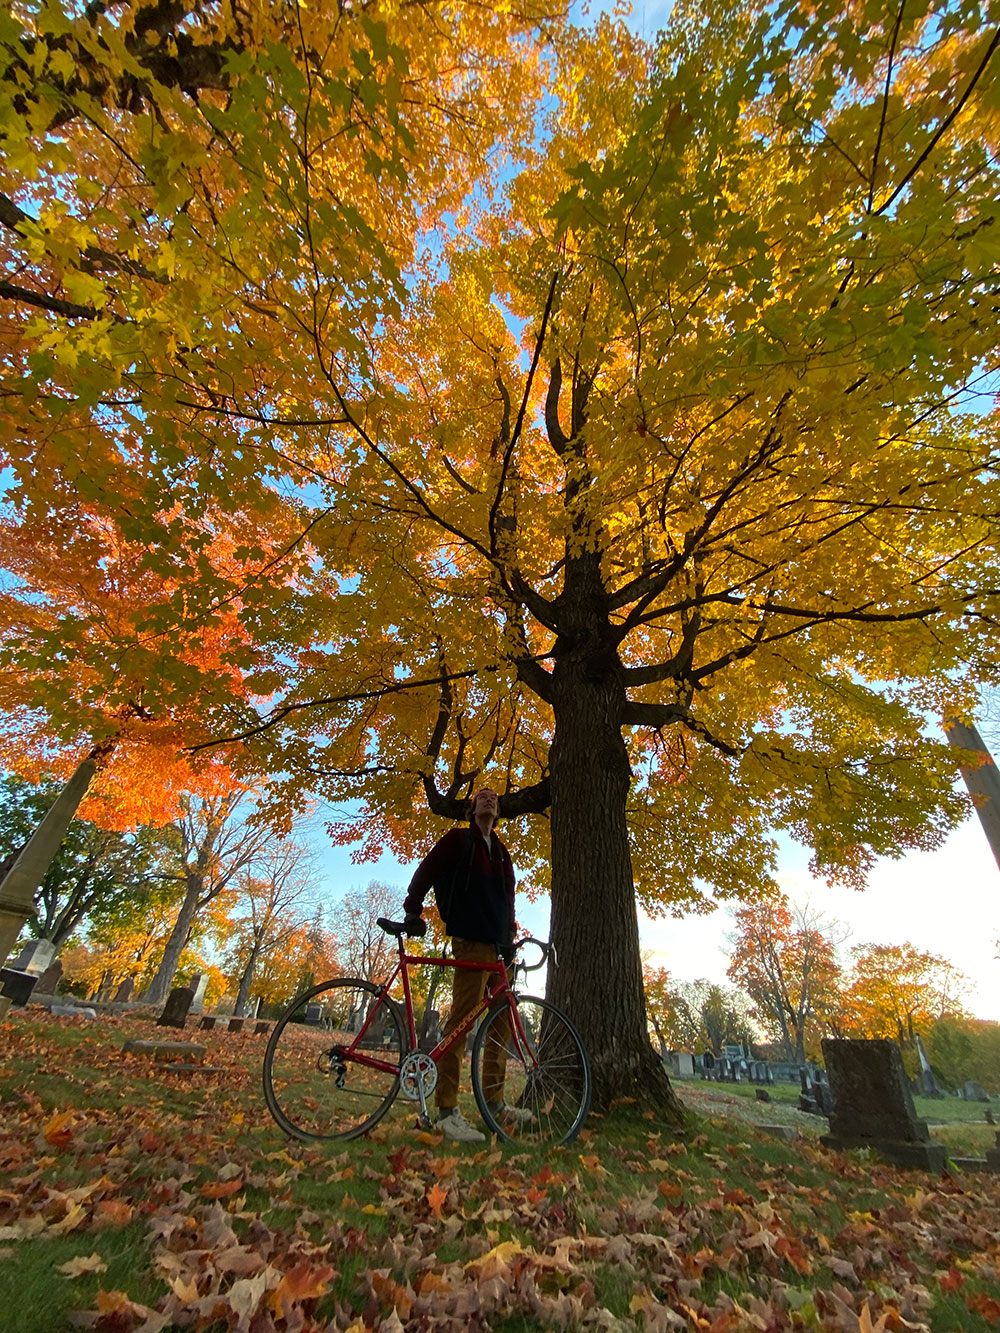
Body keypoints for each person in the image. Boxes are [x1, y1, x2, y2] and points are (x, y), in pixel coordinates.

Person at [402, 786, 530, 1142]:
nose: (489, 800)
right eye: (482, 797)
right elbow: (426, 872)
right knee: (460, 1023)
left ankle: (495, 1103)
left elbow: (509, 903)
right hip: (470, 943)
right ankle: (446, 1109)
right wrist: (412, 910)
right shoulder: (458, 841)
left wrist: (509, 940)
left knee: (502, 1026)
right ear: (472, 809)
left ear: (499, 812)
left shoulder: (502, 854)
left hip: (498, 950)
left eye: (495, 799)